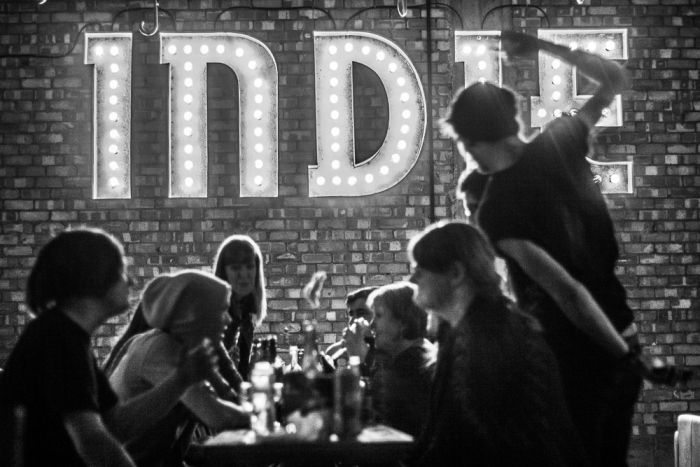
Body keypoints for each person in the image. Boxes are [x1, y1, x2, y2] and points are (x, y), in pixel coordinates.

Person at [442, 30, 643, 465]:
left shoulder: (496, 211)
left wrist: (621, 357)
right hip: (620, 326)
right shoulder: (561, 141)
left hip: (573, 353)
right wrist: (542, 48)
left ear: (470, 141)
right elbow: (614, 77)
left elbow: (566, 291)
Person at [0, 228, 217, 467]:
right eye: (121, 271)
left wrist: (182, 379)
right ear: (96, 278)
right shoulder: (58, 336)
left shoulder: (67, 336)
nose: (132, 281)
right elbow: (93, 441)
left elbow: (114, 425)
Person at [408, 221, 588, 466]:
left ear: (455, 274)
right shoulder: (482, 328)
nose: (412, 277)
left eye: (421, 268)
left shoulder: (486, 339)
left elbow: (478, 445)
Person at [108, 270, 251, 466]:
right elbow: (217, 415)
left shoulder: (188, 349)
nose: (228, 319)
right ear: (197, 313)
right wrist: (267, 415)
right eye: (221, 310)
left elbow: (230, 397)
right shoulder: (159, 347)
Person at [344, 282, 436, 438]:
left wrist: (361, 358)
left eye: (378, 316)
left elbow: (380, 413)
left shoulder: (413, 361)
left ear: (403, 322)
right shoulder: (407, 353)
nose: (372, 325)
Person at [213, 235, 267, 380]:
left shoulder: (247, 308)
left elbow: (240, 369)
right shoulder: (215, 309)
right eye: (235, 267)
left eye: (249, 266)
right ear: (224, 272)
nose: (244, 274)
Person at [324, 286, 379, 370]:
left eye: (361, 313)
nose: (352, 321)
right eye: (351, 314)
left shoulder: (392, 353)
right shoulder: (335, 351)